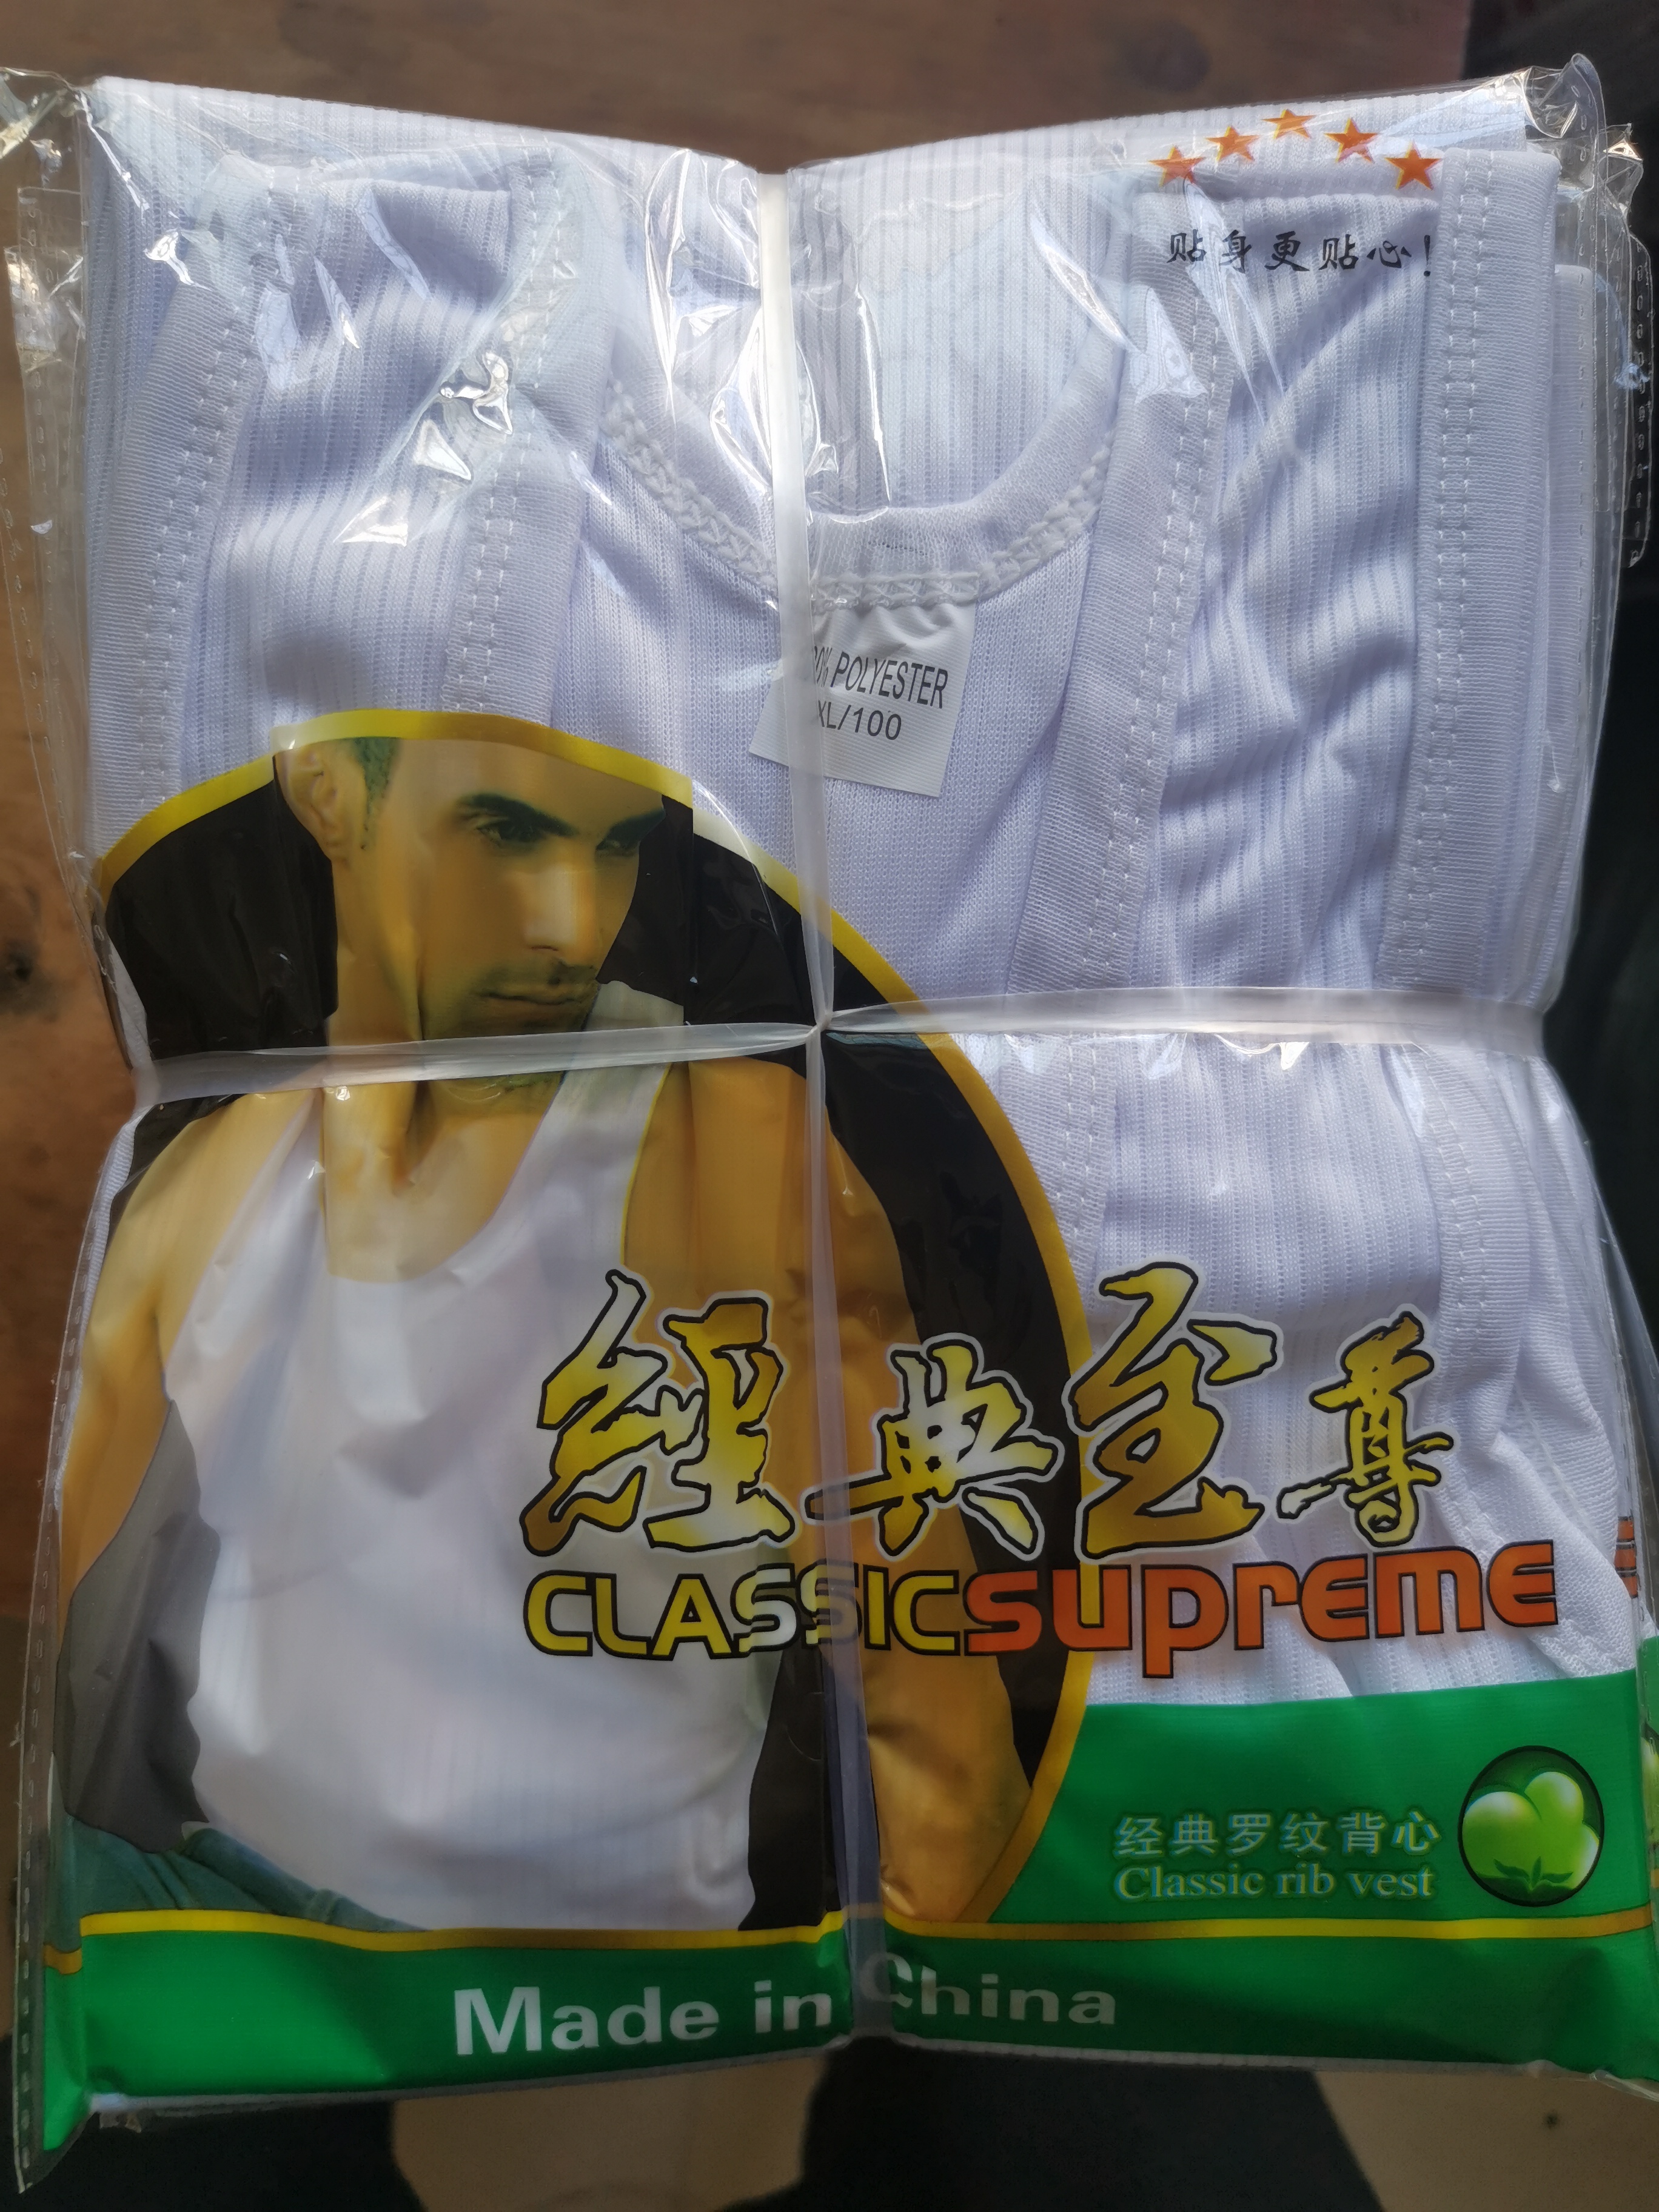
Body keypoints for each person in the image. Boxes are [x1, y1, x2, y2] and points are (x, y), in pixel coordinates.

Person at [55, 722, 1028, 1934]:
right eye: (504, 831)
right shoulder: (213, 1174)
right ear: (330, 796)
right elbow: (57, 1662)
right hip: (241, 1936)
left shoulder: (726, 1143)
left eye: (615, 847)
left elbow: (940, 1729)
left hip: (600, 1990)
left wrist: (928, 2008)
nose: (572, 925)